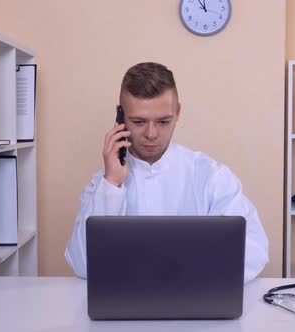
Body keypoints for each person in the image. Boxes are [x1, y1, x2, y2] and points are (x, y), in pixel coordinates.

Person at [65, 62, 269, 283]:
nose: (151, 134)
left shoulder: (211, 176)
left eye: (163, 121)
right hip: (127, 307)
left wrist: (183, 272)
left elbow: (254, 251)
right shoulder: (103, 184)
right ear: (121, 117)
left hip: (195, 301)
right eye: (139, 121)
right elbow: (83, 265)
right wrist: (112, 184)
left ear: (178, 112)